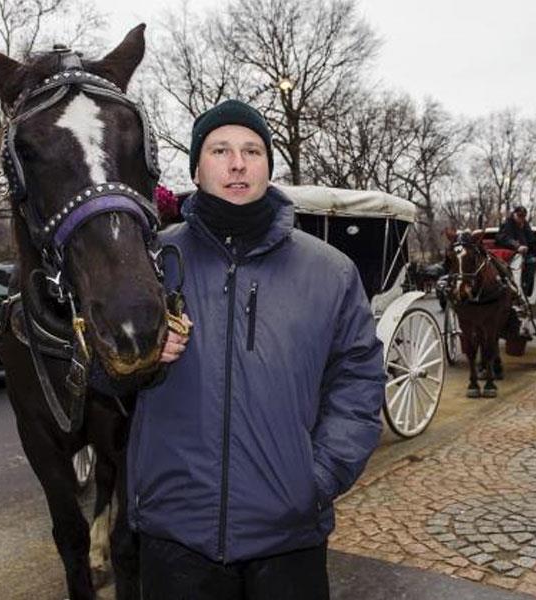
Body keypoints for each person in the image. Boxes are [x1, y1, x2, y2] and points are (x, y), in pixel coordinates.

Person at [127, 99, 386, 600]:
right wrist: (139, 356)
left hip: (288, 538)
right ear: (197, 168)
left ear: (269, 165)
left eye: (251, 150)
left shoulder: (330, 272)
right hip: (175, 536)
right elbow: (97, 373)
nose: (237, 163)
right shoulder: (151, 263)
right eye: (220, 149)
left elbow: (358, 379)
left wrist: (315, 478)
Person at [495, 205, 536, 297]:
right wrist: (517, 246)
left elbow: (532, 240)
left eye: (523, 216)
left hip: (524, 254)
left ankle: (525, 289)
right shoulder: (508, 224)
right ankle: (523, 291)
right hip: (511, 255)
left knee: (534, 260)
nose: (521, 218)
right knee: (531, 262)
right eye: (519, 216)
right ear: (514, 214)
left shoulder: (525, 225)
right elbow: (503, 238)